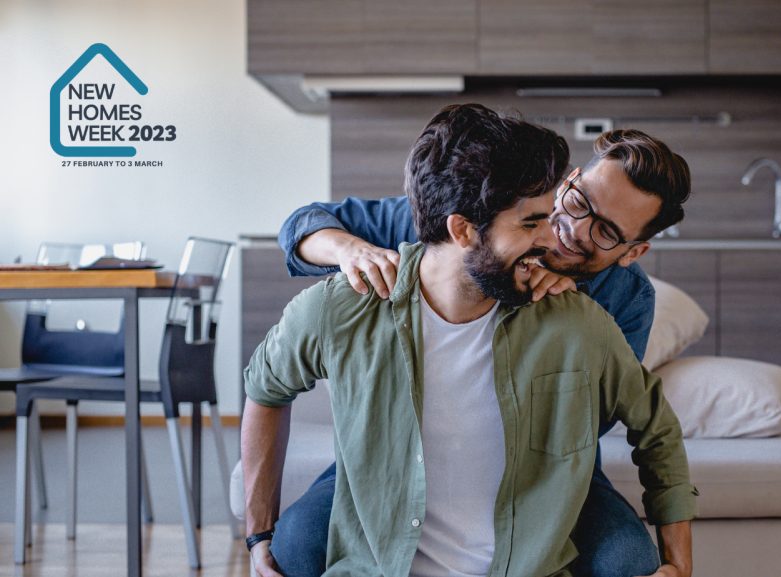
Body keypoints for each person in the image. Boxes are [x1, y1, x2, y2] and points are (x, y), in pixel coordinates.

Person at [244, 103, 698, 577]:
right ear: (571, 181)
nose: (565, 231)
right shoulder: (454, 213)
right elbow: (304, 224)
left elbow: (597, 421)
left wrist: (551, 315)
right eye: (578, 202)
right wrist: (350, 250)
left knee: (629, 559)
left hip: (548, 467)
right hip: (388, 454)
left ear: (634, 250)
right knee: (293, 548)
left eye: (605, 231)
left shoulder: (610, 307)